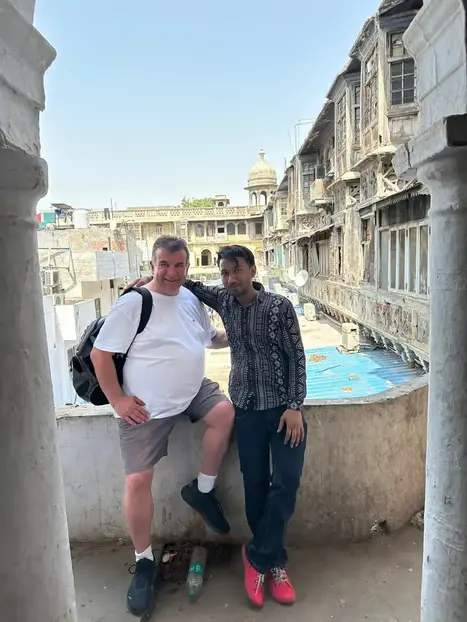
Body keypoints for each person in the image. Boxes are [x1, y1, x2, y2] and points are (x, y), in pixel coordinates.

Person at [131, 244, 307, 608]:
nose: (231, 278)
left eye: (237, 270)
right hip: (246, 408)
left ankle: (258, 556)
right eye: (225, 272)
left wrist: (294, 406)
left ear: (253, 270)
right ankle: (272, 563)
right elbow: (189, 283)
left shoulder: (279, 307)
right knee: (255, 486)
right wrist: (153, 277)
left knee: (286, 484)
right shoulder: (223, 301)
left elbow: (297, 357)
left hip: (282, 410)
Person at [91, 236, 234, 617]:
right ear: (153, 265)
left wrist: (243, 328)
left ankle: (202, 491)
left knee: (224, 414)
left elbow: (210, 339)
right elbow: (100, 354)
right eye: (164, 264)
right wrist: (118, 401)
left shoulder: (191, 300)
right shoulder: (134, 302)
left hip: (191, 391)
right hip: (146, 407)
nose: (172, 272)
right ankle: (143, 562)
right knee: (138, 481)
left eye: (179, 265)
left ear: (187, 266)